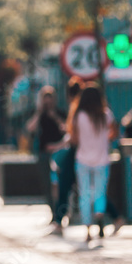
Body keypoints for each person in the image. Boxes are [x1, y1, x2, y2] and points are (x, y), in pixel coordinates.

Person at [68, 83, 117, 241]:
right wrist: (104, 139)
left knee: (84, 193)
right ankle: (99, 216)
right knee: (100, 192)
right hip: (102, 158)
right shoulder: (106, 114)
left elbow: (74, 138)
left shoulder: (78, 115)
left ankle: (88, 230)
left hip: (82, 158)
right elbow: (114, 132)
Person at [25, 86, 66, 217]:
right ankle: (54, 213)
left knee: (60, 184)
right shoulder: (39, 115)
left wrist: (54, 117)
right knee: (46, 185)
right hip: (43, 154)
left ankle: (62, 212)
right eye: (45, 101)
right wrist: (39, 112)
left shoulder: (60, 113)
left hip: (59, 153)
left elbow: (67, 130)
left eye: (50, 100)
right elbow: (30, 128)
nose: (48, 103)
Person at [51, 76, 84, 234]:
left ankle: (59, 221)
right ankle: (115, 216)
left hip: (76, 152)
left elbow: (74, 135)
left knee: (65, 185)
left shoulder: (76, 109)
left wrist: (59, 144)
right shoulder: (83, 108)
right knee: (88, 188)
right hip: (80, 152)